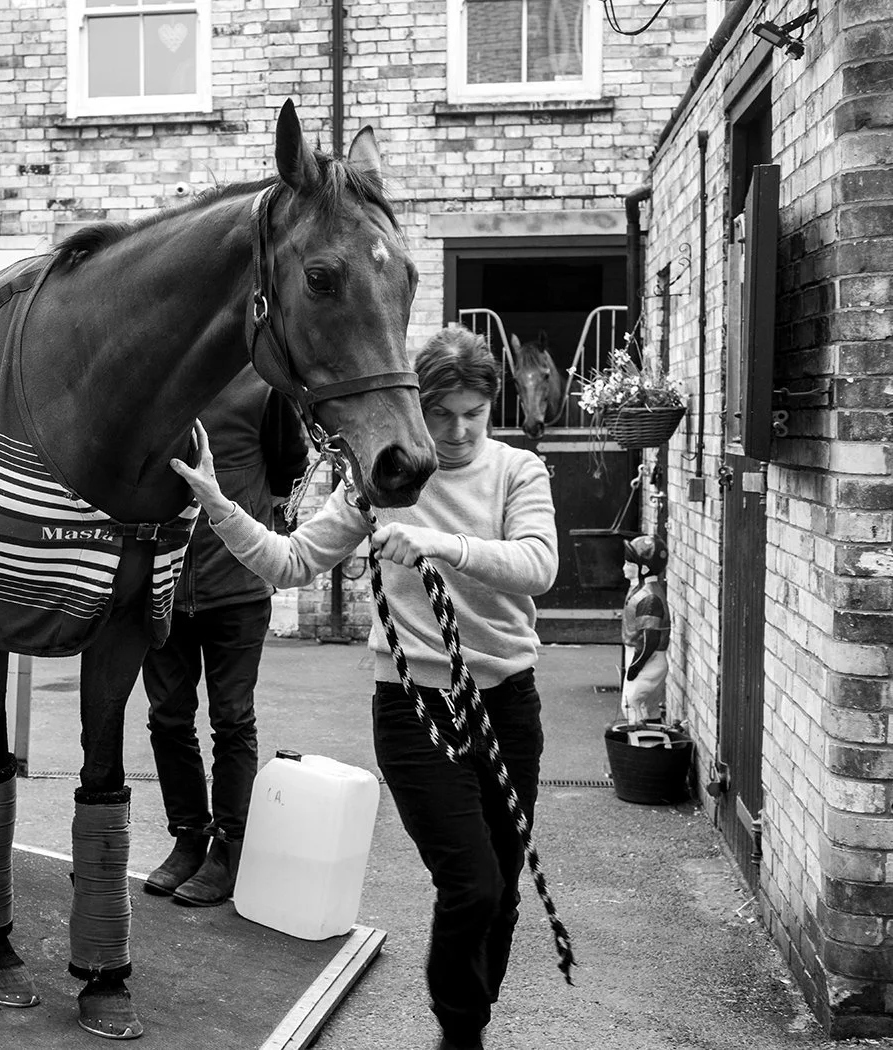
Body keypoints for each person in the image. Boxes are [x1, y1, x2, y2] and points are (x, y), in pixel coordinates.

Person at [170, 324, 557, 1050]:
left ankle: (468, 1024)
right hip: (413, 708)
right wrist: (219, 505)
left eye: (472, 413)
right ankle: (460, 1039)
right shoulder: (381, 479)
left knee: (500, 894)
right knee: (470, 883)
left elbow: (538, 565)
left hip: (506, 702)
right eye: (441, 414)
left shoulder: (516, 472)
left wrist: (442, 546)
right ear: (418, 408)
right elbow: (289, 563)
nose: (457, 430)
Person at [141, 365, 311, 906]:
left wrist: (260, 526)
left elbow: (290, 467)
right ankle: (189, 838)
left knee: (231, 719)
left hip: (235, 585)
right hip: (161, 582)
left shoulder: (263, 386)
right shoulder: (156, 373)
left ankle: (230, 850)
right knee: (167, 717)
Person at [620, 533, 670, 725]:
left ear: (645, 568)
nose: (624, 568)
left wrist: (634, 667)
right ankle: (654, 742)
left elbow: (650, 639)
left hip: (648, 659)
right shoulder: (641, 590)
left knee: (630, 703)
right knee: (649, 707)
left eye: (629, 564)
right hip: (645, 657)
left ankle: (641, 747)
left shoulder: (649, 598)